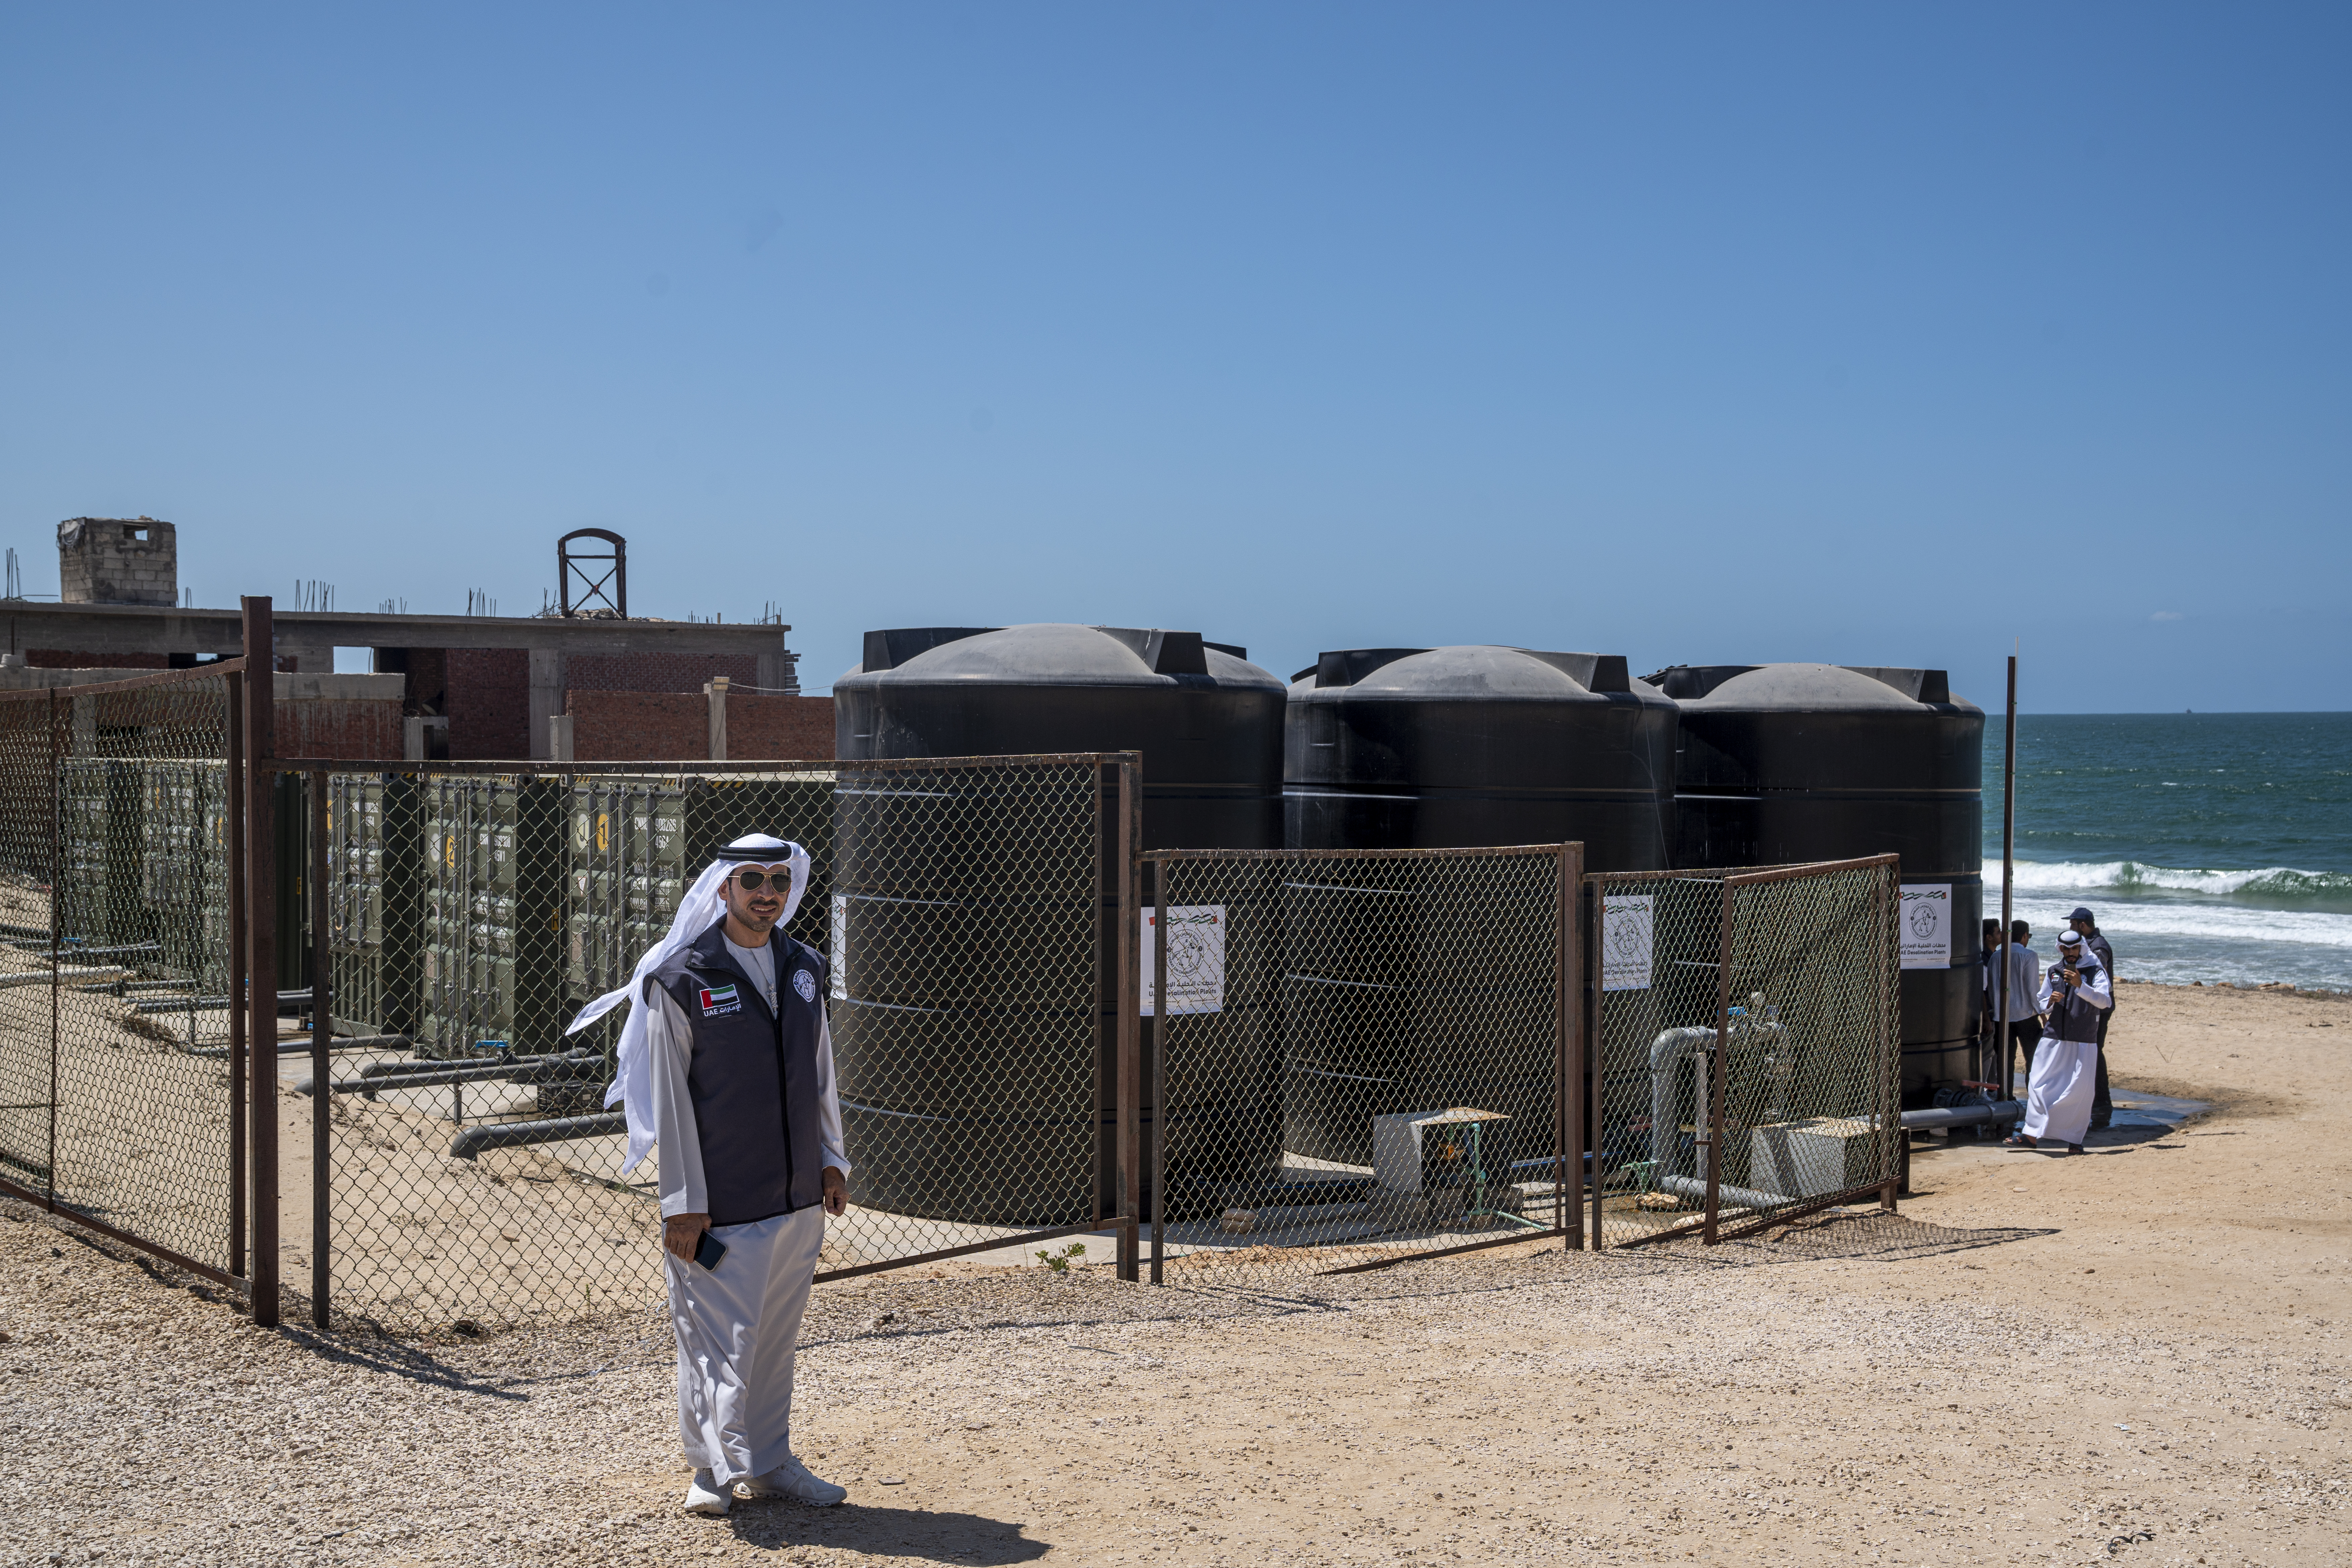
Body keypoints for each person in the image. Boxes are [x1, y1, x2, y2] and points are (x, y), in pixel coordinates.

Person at [566, 833, 851, 1516]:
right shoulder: (682, 979)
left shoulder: (805, 965)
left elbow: (820, 1070)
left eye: (778, 880)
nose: (766, 893)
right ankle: (711, 1471)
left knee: (773, 1341)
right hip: (721, 1203)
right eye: (751, 879)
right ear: (723, 888)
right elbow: (669, 1097)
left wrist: (832, 1160)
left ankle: (771, 1461)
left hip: (796, 1197)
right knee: (713, 1343)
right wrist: (683, 1203)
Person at [2006, 929, 2110, 1154]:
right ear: (2060, 949)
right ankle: (2031, 1135)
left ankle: (2075, 1141)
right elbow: (2041, 1002)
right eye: (2066, 949)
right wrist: (2050, 1002)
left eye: (2075, 948)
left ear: (2081, 948)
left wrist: (2081, 985)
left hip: (2083, 1040)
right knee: (2038, 1083)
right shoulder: (2054, 971)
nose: (2071, 953)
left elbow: (2105, 1002)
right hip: (2053, 1037)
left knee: (2077, 1091)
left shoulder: (2094, 971)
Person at [2070, 905, 2118, 1130]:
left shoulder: (2098, 946)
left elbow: (2099, 973)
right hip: (2093, 1005)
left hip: (2099, 1008)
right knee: (2092, 1051)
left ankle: (2101, 1102)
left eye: (2073, 924)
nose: (2070, 928)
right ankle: (2097, 1100)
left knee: (2094, 1052)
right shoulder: (2090, 943)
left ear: (2083, 925)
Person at [1988, 919, 2043, 1086]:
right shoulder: (2029, 956)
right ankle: (2032, 1094)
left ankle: (2006, 1096)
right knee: (2033, 1060)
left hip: (2002, 1017)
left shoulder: (1996, 956)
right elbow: (2033, 990)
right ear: (2025, 936)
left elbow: (1992, 988)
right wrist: (2042, 1012)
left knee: (2005, 1061)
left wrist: (1997, 1009)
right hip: (2026, 1015)